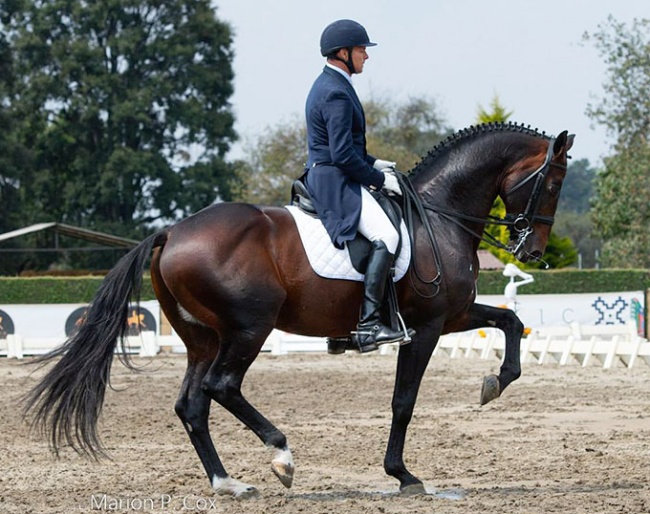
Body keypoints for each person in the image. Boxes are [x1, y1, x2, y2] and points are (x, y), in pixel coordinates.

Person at [303, 19, 409, 353]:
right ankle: (368, 326)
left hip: (332, 170)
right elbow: (342, 154)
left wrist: (374, 162)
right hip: (335, 178)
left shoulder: (330, 83)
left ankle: (344, 325)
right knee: (388, 237)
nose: (366, 55)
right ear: (343, 52)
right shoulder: (335, 90)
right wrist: (379, 180)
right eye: (362, 49)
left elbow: (348, 147)